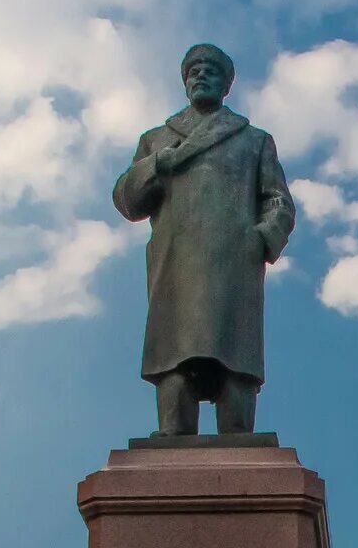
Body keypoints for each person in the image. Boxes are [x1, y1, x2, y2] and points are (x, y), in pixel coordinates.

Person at [111, 43, 296, 437]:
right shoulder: (157, 140)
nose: (200, 75)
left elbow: (278, 200)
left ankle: (238, 437)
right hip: (175, 261)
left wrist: (260, 240)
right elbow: (129, 202)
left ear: (227, 83)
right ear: (184, 81)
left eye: (210, 69)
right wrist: (159, 163)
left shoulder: (253, 139)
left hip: (234, 261)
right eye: (193, 70)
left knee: (235, 352)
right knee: (175, 353)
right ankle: (173, 434)